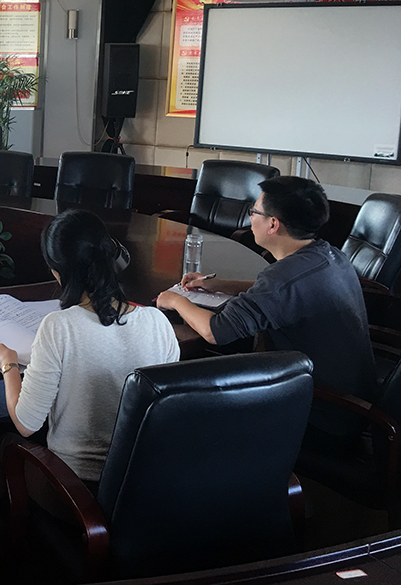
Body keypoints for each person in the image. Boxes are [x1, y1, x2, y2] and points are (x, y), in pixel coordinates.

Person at [0, 209, 180, 583]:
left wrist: (8, 365)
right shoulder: (157, 322)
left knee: (1, 449)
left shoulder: (59, 327)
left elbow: (26, 423)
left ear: (57, 271)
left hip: (77, 490)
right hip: (143, 489)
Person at [155, 176, 376, 441]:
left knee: (180, 400)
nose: (250, 218)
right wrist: (217, 285)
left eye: (254, 211)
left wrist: (174, 300)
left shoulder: (282, 278)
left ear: (273, 224)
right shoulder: (327, 254)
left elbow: (216, 331)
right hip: (353, 403)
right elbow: (282, 291)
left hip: (319, 413)